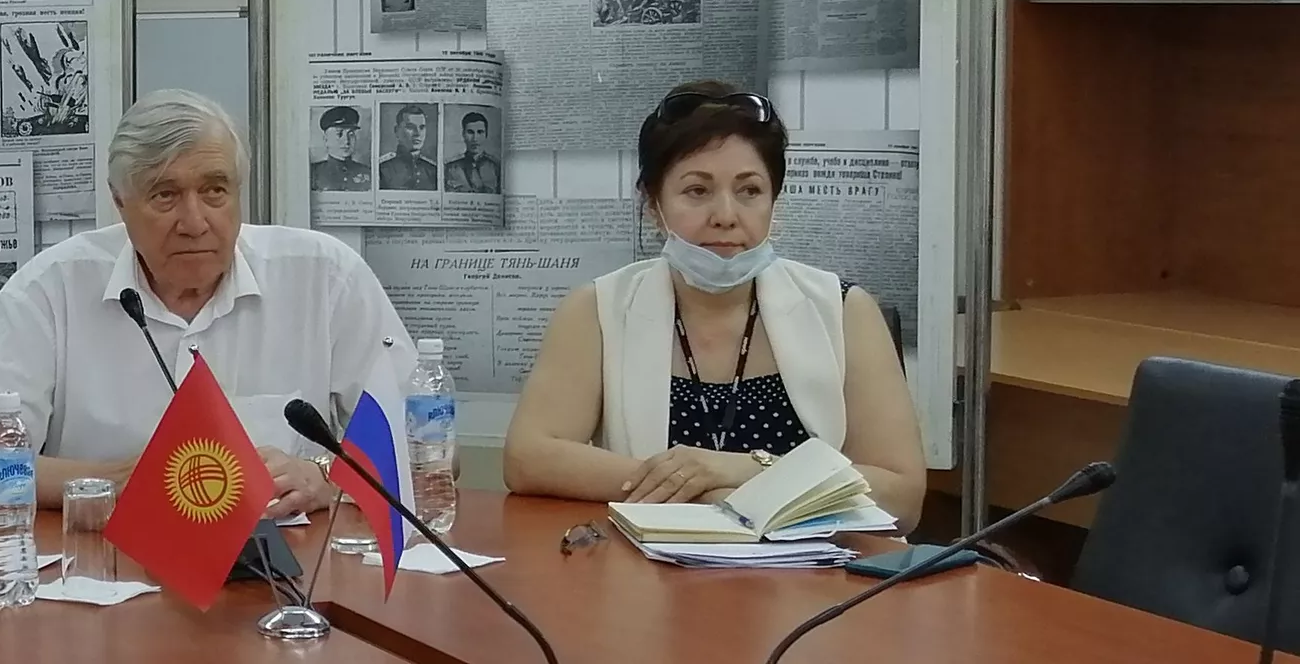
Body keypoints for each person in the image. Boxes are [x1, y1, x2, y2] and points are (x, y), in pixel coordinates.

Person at [0, 89, 416, 516]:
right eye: (165, 195)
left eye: (215, 191)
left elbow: (427, 443)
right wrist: (114, 481)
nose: (195, 222)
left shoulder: (324, 276)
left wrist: (323, 476)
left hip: (288, 568)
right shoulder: (51, 288)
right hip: (104, 568)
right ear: (119, 202)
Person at [501, 80, 925, 531]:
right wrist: (700, 487)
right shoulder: (600, 310)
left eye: (749, 191)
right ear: (653, 204)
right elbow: (528, 459)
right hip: (650, 569)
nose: (725, 215)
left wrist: (743, 471)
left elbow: (902, 496)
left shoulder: (842, 310)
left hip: (813, 570)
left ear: (774, 201)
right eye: (697, 191)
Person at [310, 106, 371, 192]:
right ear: (326, 139)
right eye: (339, 134)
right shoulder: (312, 173)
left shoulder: (368, 172)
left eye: (351, 134)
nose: (346, 141)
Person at [377, 104, 437, 190]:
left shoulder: (433, 170)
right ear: (397, 131)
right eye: (410, 127)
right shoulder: (382, 168)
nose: (418, 133)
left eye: (422, 127)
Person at [443, 111, 501, 194]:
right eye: (470, 132)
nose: (475, 138)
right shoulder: (450, 168)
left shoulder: (496, 167)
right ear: (463, 134)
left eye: (480, 132)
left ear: (486, 135)